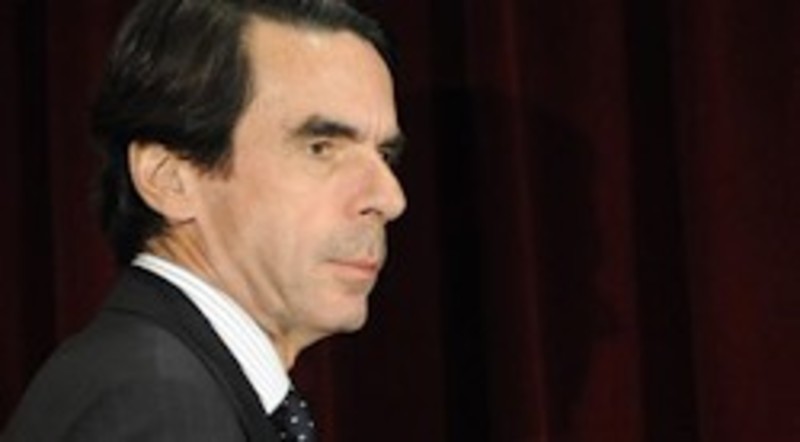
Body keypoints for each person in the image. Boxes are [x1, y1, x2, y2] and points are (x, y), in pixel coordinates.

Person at [2, 0, 406, 440]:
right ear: (169, 179)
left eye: (384, 155)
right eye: (321, 148)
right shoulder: (158, 405)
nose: (390, 198)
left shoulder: (168, 377)